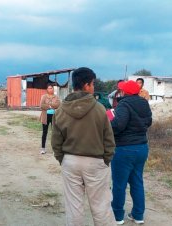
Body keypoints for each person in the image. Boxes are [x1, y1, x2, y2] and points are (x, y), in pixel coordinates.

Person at [51, 67, 116, 226]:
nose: (94, 87)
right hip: (96, 162)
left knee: (74, 207)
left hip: (70, 162)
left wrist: (64, 159)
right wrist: (106, 160)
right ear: (86, 85)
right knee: (101, 206)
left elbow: (56, 142)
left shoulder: (60, 110)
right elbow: (108, 140)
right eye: (93, 83)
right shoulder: (99, 109)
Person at [110, 80, 152, 225]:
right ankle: (138, 215)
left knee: (119, 184)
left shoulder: (124, 104)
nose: (119, 91)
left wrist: (109, 122)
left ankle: (117, 216)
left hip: (124, 148)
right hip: (142, 147)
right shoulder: (144, 103)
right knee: (137, 182)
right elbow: (149, 122)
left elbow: (118, 125)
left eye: (120, 90)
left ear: (125, 92)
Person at [39, 84, 60, 154]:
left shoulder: (56, 97)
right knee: (45, 132)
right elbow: (41, 105)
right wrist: (50, 106)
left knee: (54, 133)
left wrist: (49, 105)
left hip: (53, 116)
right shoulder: (44, 96)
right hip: (45, 116)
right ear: (47, 89)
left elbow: (58, 105)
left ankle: (54, 149)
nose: (51, 89)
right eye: (49, 88)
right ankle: (43, 148)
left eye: (52, 88)